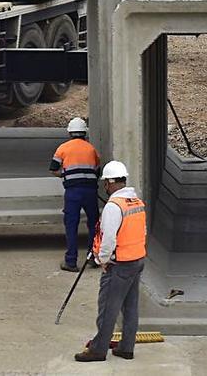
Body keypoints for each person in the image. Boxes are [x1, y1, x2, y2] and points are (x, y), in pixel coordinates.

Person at [74, 160, 146, 363]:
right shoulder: (137, 203)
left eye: (105, 182)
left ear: (112, 183)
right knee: (130, 307)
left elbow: (108, 239)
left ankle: (98, 350)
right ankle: (126, 348)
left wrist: (102, 259)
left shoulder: (114, 207)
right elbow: (142, 232)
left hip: (119, 264)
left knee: (108, 308)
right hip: (137, 260)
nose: (105, 186)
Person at [50, 118, 101, 273]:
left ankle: (71, 261)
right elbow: (97, 170)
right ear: (85, 132)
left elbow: (53, 168)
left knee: (71, 225)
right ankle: (93, 256)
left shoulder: (63, 148)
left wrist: (64, 174)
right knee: (94, 223)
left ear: (70, 132)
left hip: (73, 192)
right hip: (90, 191)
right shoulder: (91, 149)